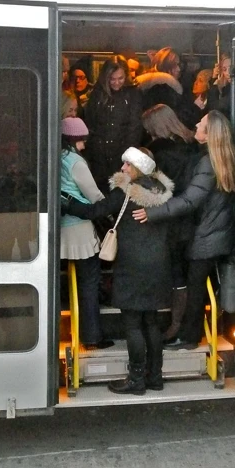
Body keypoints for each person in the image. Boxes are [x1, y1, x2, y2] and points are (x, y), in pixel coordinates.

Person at [63, 147, 174, 395]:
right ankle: (154, 377)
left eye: (127, 165)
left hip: (132, 265)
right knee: (152, 322)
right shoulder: (162, 191)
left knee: (133, 323)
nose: (122, 169)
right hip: (158, 264)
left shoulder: (125, 193)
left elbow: (94, 211)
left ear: (137, 168)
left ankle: (136, 380)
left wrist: (67, 202)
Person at [132, 110, 235, 350]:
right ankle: (188, 334)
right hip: (216, 233)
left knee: (195, 287)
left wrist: (153, 212)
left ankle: (189, 337)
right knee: (197, 285)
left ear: (208, 134)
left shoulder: (207, 162)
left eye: (200, 124)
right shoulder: (223, 157)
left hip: (206, 236)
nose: (195, 125)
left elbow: (191, 200)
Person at [141, 104, 201, 341]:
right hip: (190, 218)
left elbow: (155, 189)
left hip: (165, 218)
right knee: (182, 275)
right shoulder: (192, 147)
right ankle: (179, 323)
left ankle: (169, 325)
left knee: (171, 272)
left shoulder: (158, 154)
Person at [60, 117, 114, 350]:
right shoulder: (75, 162)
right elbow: (93, 195)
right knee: (89, 284)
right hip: (81, 231)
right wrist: (109, 213)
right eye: (82, 140)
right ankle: (92, 336)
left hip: (61, 228)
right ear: (74, 140)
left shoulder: (55, 158)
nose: (84, 144)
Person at [83, 55, 143, 193]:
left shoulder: (133, 94)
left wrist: (128, 157)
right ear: (106, 78)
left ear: (126, 76)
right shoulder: (97, 94)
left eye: (120, 78)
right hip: (99, 155)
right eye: (112, 79)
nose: (116, 83)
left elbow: (134, 128)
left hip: (122, 155)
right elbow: (91, 123)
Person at [135, 46, 201, 129]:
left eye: (179, 65)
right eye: (174, 65)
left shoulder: (155, 86)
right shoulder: (161, 90)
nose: (179, 69)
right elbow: (181, 118)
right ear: (164, 66)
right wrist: (196, 108)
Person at [207, 52, 232, 119]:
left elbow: (215, 109)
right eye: (224, 69)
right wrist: (214, 78)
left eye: (231, 68)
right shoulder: (226, 87)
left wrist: (214, 87)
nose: (228, 73)